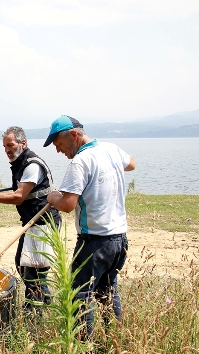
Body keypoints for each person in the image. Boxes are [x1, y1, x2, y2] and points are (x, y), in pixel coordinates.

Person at [44, 115, 136, 339]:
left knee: (80, 294)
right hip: (119, 239)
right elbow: (131, 164)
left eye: (59, 144)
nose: (59, 151)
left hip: (95, 241)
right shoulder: (111, 149)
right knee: (107, 290)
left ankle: (83, 348)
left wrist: (52, 196)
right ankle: (114, 342)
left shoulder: (80, 161)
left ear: (74, 135)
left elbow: (67, 205)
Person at [0, 126, 61, 308]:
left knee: (35, 270)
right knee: (23, 264)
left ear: (23, 143)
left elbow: (19, 197)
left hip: (44, 221)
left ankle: (36, 309)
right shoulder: (20, 163)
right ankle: (41, 302)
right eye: (4, 146)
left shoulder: (32, 165)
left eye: (10, 145)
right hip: (31, 221)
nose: (7, 150)